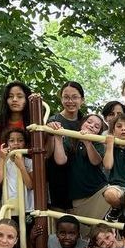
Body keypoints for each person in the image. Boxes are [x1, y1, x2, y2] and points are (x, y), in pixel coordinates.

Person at [48, 113, 109, 221]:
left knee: (102, 226)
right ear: (82, 123)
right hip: (78, 195)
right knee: (85, 231)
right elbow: (60, 160)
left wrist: (88, 143)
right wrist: (58, 138)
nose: (91, 126)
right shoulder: (70, 139)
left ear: (99, 132)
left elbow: (96, 161)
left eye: (96, 126)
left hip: (98, 190)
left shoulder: (98, 143)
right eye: (89, 122)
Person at [46, 81, 88, 210]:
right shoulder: (53, 122)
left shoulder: (86, 122)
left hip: (81, 180)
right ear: (61, 99)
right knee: (61, 223)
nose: (70, 101)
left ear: (82, 100)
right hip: (58, 180)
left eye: (75, 97)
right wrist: (50, 133)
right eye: (66, 97)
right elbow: (47, 153)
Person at [0, 127, 34, 217]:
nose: (16, 143)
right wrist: (2, 158)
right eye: (11, 141)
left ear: (25, 143)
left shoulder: (29, 161)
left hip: (27, 207)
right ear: (6, 143)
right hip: (9, 205)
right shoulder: (2, 158)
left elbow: (30, 186)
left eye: (20, 140)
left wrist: (21, 166)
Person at [0, 81, 32, 158]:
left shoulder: (35, 125)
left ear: (27, 100)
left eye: (20, 96)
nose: (14, 99)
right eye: (10, 96)